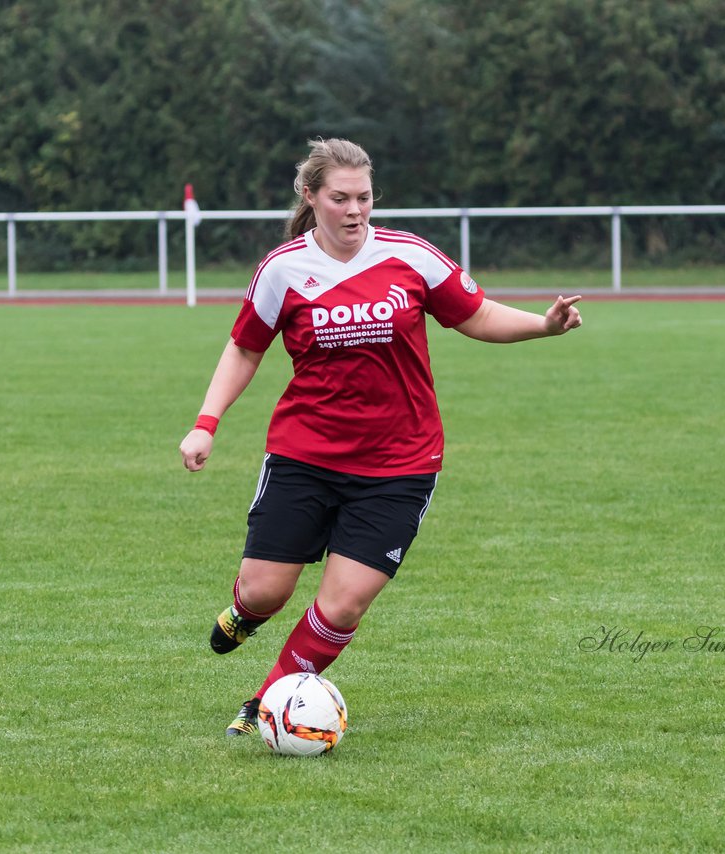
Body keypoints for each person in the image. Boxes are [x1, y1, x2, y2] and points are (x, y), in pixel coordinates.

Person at [178, 138, 583, 736]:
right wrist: (205, 423)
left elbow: (475, 314)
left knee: (342, 604)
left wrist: (542, 326)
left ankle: (266, 704)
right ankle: (244, 612)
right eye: (339, 198)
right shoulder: (283, 269)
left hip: (401, 463)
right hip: (304, 456)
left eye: (363, 197)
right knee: (266, 591)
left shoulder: (410, 256)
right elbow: (244, 348)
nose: (354, 210)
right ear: (311, 198)